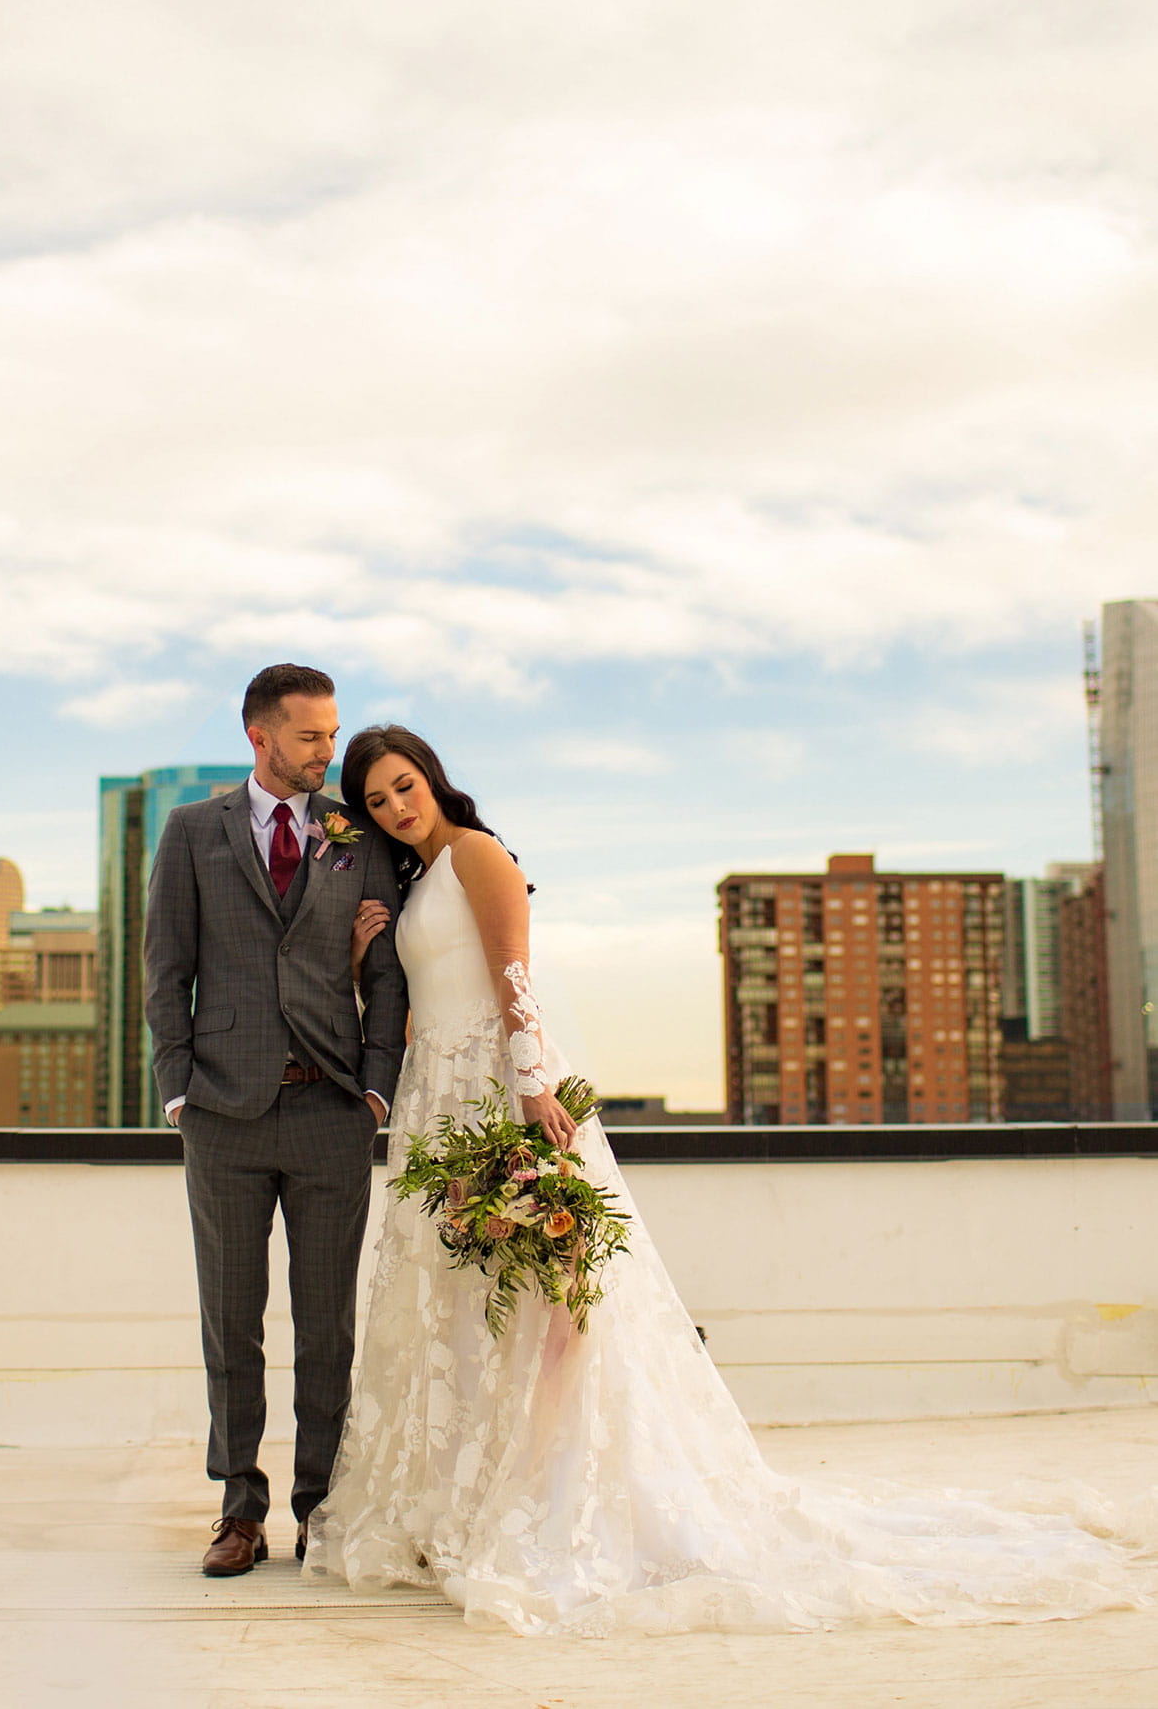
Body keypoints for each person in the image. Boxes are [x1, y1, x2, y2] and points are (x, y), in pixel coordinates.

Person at [307, 724, 1156, 1636]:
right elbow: (419, 992)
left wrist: (531, 1091)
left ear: (432, 778)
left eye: (405, 786)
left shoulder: (478, 854)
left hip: (499, 1089)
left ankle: (541, 1488)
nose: (397, 807)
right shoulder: (408, 879)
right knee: (466, 1302)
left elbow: (515, 975)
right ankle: (461, 1493)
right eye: (379, 799)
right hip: (438, 1099)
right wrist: (366, 960)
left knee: (552, 1299)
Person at [144, 666, 408, 1577]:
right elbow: (165, 967)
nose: (328, 753)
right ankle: (239, 1510)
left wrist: (376, 1090)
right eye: (311, 738)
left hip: (333, 1109)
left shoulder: (355, 834)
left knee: (327, 1324)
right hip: (223, 1112)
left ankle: (321, 1509)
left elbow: (388, 975)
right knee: (232, 1320)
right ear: (259, 736)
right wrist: (178, 1090)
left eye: (332, 736)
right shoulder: (190, 833)